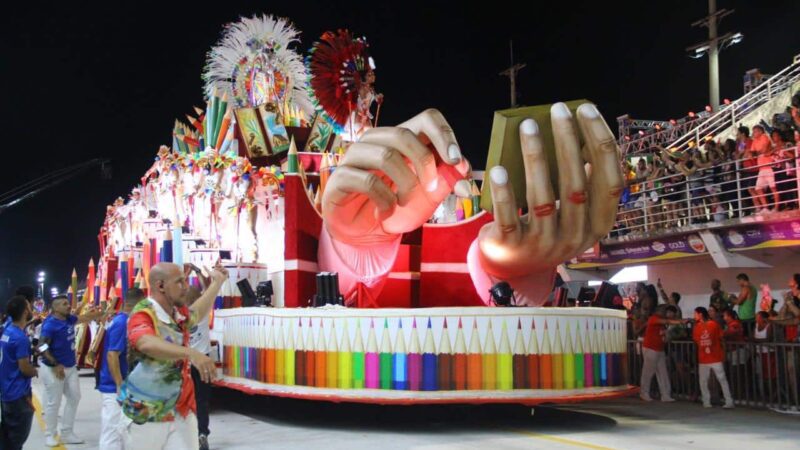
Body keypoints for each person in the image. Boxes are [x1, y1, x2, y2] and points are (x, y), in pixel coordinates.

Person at [121, 263, 227, 450]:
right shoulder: (143, 312)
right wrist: (191, 353)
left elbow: (196, 313)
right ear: (160, 285)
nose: (186, 286)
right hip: (147, 413)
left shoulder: (177, 313)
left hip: (182, 411)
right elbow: (146, 342)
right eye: (179, 282)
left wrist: (216, 283)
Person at [39, 295, 104, 447]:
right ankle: (50, 434)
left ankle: (67, 433)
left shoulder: (68, 319)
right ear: (55, 308)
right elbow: (41, 346)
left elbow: (83, 317)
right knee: (53, 403)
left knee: (74, 397)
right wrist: (55, 364)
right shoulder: (50, 325)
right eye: (64, 304)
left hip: (70, 367)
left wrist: (103, 313)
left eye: (68, 303)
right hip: (53, 369)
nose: (69, 306)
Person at [97, 288, 144, 450]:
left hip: (123, 384)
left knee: (123, 429)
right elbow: (112, 355)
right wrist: (119, 384)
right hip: (114, 387)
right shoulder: (122, 323)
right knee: (112, 431)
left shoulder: (124, 321)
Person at [0, 296, 38, 450]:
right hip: (18, 394)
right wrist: (34, 370)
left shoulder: (8, 331)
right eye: (29, 307)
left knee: (6, 436)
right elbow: (24, 368)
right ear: (24, 312)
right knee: (16, 440)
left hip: (7, 392)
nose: (32, 310)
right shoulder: (20, 338)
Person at [640, 305, 685, 402]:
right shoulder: (654, 318)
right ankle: (644, 392)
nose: (666, 313)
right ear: (658, 311)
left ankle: (665, 395)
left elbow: (664, 331)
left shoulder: (661, 322)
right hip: (650, 348)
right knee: (648, 372)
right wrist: (680, 321)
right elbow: (667, 321)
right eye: (664, 311)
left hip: (659, 349)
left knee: (663, 372)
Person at [186, 284, 212, 450]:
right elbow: (209, 290)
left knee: (186, 401)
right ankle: (202, 433)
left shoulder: (180, 318)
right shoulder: (202, 314)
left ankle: (188, 435)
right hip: (203, 363)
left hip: (187, 362)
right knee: (202, 401)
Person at [692, 307, 735, 408]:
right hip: (704, 358)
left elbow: (721, 338)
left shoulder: (713, 325)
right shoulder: (697, 327)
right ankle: (706, 401)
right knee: (704, 380)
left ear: (700, 314)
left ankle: (728, 401)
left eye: (695, 314)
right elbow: (697, 341)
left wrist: (723, 354)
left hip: (715, 357)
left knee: (721, 379)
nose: (694, 316)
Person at [751, 125, 779, 213]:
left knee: (773, 188)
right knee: (758, 188)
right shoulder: (755, 140)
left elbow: (763, 150)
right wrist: (755, 153)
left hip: (769, 166)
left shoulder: (765, 137)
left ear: (760, 131)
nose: (753, 133)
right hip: (761, 168)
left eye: (755, 131)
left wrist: (756, 153)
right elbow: (752, 152)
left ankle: (776, 207)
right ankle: (765, 207)